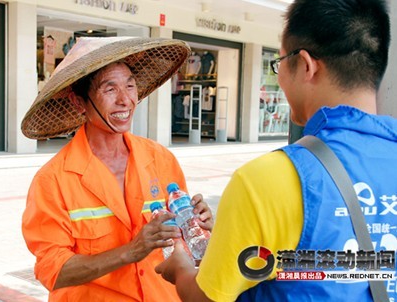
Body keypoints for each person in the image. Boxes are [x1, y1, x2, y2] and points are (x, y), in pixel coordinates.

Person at [155, 0, 397, 301]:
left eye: (279, 62)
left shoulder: (267, 179)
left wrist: (180, 270)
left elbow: (206, 297)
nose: (279, 76)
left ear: (306, 65)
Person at [21, 36, 214, 302]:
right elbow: (52, 269)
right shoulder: (53, 180)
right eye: (109, 89)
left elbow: (180, 243)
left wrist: (197, 226)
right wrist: (131, 251)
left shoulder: (161, 159)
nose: (125, 100)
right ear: (80, 103)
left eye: (130, 86)